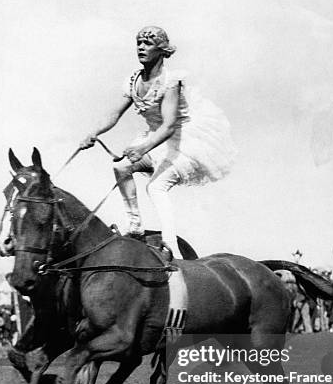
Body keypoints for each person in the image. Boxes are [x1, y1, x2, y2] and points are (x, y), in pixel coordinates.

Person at [81, 26, 235, 258]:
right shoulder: (133, 80)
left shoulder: (171, 81)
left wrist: (142, 147)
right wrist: (93, 133)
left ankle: (172, 246)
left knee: (156, 186)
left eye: (147, 44)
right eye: (138, 43)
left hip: (183, 142)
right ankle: (134, 225)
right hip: (156, 140)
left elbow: (169, 125)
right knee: (121, 166)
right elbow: (113, 115)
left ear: (161, 50)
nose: (141, 48)